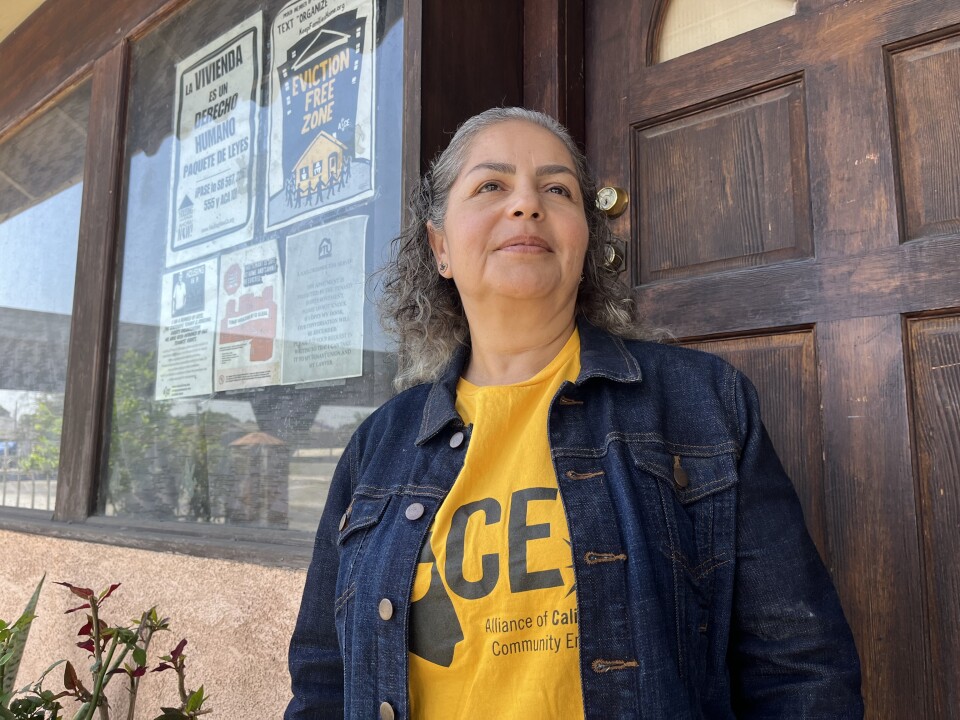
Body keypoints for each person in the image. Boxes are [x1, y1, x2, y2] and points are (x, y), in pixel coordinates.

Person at [286, 107, 863, 720]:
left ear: (585, 238)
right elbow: (325, 679)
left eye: (556, 189)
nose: (527, 204)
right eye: (491, 185)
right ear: (440, 246)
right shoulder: (378, 445)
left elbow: (800, 670)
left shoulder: (701, 405)